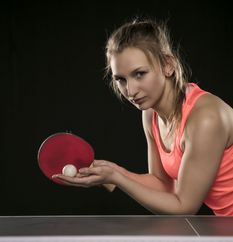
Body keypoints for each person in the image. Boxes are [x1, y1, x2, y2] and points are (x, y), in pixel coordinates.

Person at [53, 18, 233, 216]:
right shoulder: (151, 115)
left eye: (139, 74)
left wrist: (118, 178)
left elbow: (184, 207)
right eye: (121, 79)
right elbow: (163, 185)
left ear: (168, 65)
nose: (130, 91)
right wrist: (111, 173)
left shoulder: (206, 118)